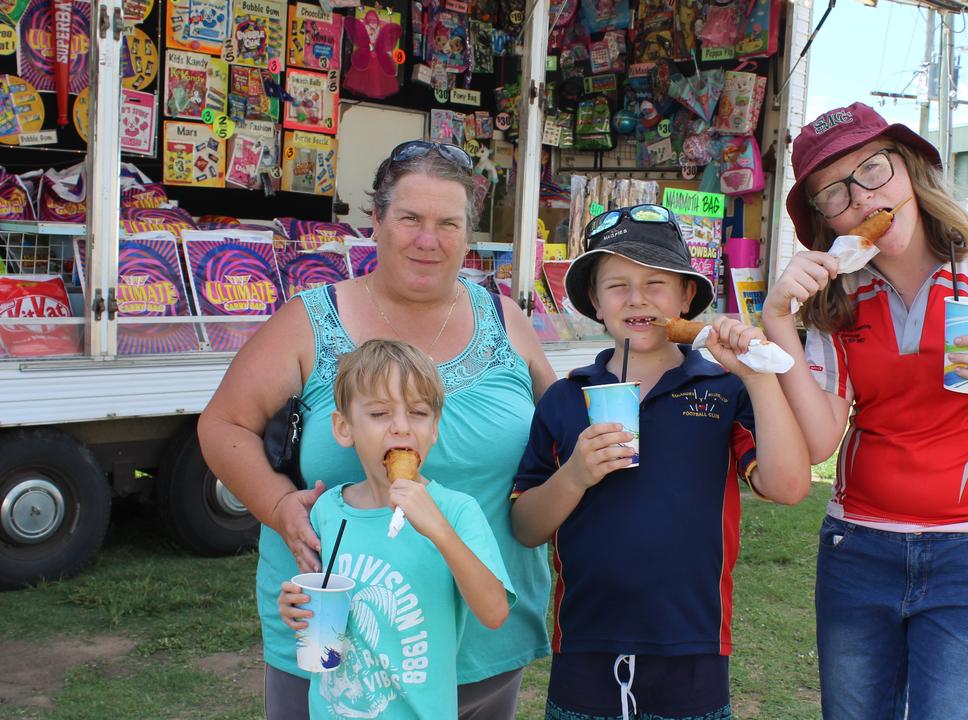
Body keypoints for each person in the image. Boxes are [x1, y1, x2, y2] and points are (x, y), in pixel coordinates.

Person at [198, 141, 556, 720]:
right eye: (410, 219)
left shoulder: (505, 318)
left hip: (483, 633)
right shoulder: (308, 320)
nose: (428, 239)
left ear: (468, 232)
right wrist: (279, 505)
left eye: (448, 223)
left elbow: (560, 433)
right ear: (377, 222)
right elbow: (222, 424)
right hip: (337, 639)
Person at [761, 102, 968, 720]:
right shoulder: (839, 297)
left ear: (911, 171)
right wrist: (778, 320)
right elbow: (818, 443)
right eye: (833, 193)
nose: (861, 199)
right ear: (821, 218)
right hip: (857, 548)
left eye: (874, 170)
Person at [509, 204, 812, 720]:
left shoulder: (723, 389)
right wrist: (575, 475)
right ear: (595, 303)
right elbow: (525, 526)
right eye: (617, 285)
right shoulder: (564, 398)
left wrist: (758, 377)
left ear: (686, 297)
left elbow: (788, 486)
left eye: (655, 282)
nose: (637, 298)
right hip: (585, 642)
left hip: (692, 646)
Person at [278, 339, 514, 717]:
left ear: (434, 428)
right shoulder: (327, 510)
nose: (401, 428)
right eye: (379, 413)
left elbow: (494, 612)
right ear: (344, 427)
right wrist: (297, 608)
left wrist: (438, 528)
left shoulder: (456, 511)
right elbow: (327, 602)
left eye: (418, 412)